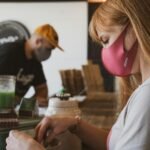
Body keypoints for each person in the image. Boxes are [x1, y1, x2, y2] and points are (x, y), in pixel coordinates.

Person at [6, 0, 150, 149]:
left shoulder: (146, 96)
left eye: (106, 40)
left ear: (134, 30)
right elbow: (116, 144)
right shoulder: (143, 92)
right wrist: (76, 125)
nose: (105, 51)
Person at [0, 24, 63, 107]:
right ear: (38, 41)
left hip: (9, 112)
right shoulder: (8, 53)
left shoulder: (35, 62)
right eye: (48, 49)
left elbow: (42, 89)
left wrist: (29, 103)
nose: (49, 53)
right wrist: (25, 102)